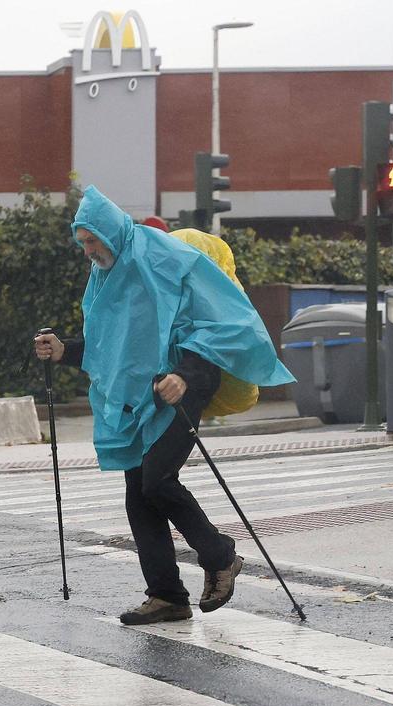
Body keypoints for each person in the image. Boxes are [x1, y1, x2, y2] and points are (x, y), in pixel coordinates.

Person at [34, 186, 293, 626]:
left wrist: (185, 375)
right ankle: (167, 595)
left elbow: (215, 320)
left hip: (187, 381)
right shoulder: (105, 277)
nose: (88, 252)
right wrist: (65, 350)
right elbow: (111, 345)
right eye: (81, 244)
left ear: (111, 231)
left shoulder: (161, 256)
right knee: (138, 493)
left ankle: (220, 555)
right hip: (143, 393)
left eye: (92, 240)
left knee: (156, 481)